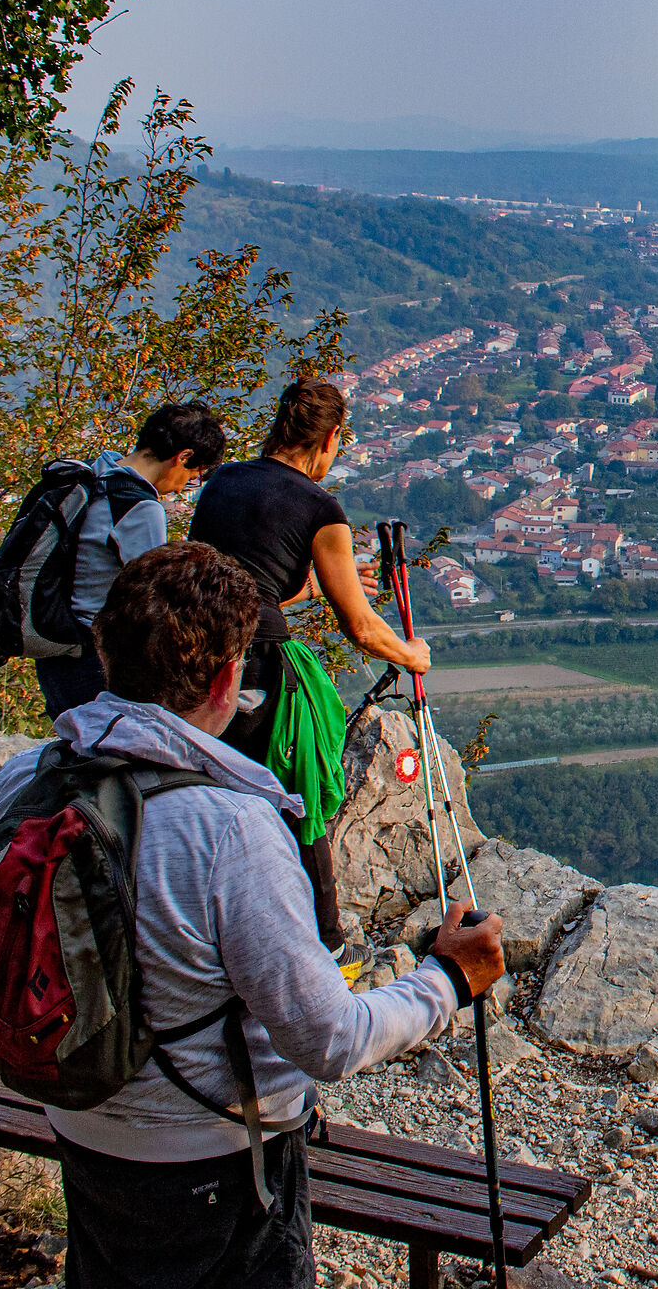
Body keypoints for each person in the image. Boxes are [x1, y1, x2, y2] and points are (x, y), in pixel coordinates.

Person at [0, 541, 506, 1289]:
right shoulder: (228, 829)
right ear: (229, 678)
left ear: (103, 650)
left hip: (79, 1121)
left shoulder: (23, 782)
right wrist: (449, 979)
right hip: (212, 1159)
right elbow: (330, 1039)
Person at [189, 380, 430, 954]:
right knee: (298, 797)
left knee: (210, 791)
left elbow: (243, 580)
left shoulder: (223, 481)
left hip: (192, 653)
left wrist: (317, 588)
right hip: (257, 666)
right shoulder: (321, 508)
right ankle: (326, 945)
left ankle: (214, 927)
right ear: (329, 438)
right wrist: (412, 654)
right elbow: (361, 627)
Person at [34, 402, 228, 718]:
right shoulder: (140, 507)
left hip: (55, 647)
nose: (183, 487)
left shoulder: (94, 474)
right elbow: (156, 597)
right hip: (93, 658)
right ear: (183, 457)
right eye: (192, 476)